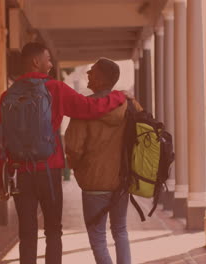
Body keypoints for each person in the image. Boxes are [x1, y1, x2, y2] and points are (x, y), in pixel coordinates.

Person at [0, 43, 126, 264]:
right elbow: (90, 108)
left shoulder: (7, 96)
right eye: (48, 59)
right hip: (49, 171)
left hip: (20, 174)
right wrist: (118, 97)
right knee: (53, 231)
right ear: (36, 62)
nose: (51, 64)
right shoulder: (55, 89)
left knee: (26, 232)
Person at [65, 58, 142, 264]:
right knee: (120, 231)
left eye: (92, 72)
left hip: (94, 182)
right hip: (122, 179)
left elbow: (73, 147)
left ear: (100, 79)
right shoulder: (128, 105)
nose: (88, 74)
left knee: (98, 237)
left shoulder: (84, 109)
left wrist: (78, 166)